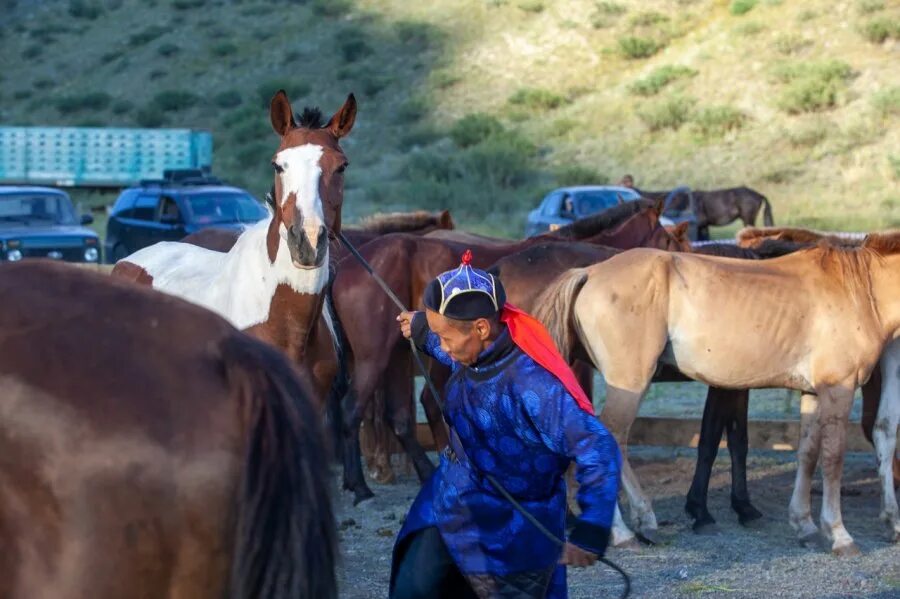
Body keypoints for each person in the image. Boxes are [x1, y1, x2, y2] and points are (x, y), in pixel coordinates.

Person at [390, 250, 622, 599]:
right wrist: (424, 330)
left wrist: (592, 528)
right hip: (450, 503)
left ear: (482, 327)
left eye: (446, 337)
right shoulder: (472, 352)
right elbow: (451, 352)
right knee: (414, 591)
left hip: (513, 528)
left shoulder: (535, 386)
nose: (444, 348)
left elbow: (598, 447)